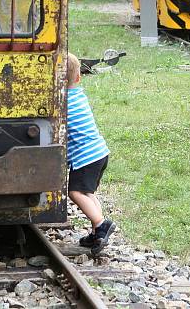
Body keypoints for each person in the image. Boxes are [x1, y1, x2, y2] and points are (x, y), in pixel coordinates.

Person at [65, 52, 116, 252]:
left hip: (85, 157)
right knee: (88, 192)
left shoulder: (61, 102)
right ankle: (98, 233)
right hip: (99, 152)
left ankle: (101, 224)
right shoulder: (78, 95)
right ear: (78, 78)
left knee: (75, 192)